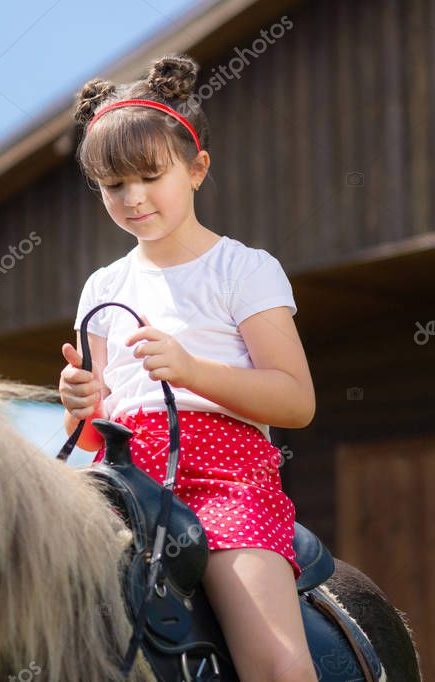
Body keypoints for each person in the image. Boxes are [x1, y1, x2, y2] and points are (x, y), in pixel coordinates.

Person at [58, 54, 319, 682]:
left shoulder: (243, 269)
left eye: (150, 175)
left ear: (197, 168)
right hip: (118, 484)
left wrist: (193, 372)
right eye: (113, 185)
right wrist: (78, 401)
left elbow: (295, 402)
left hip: (224, 482)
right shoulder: (102, 286)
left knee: (275, 663)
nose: (133, 197)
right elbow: (97, 430)